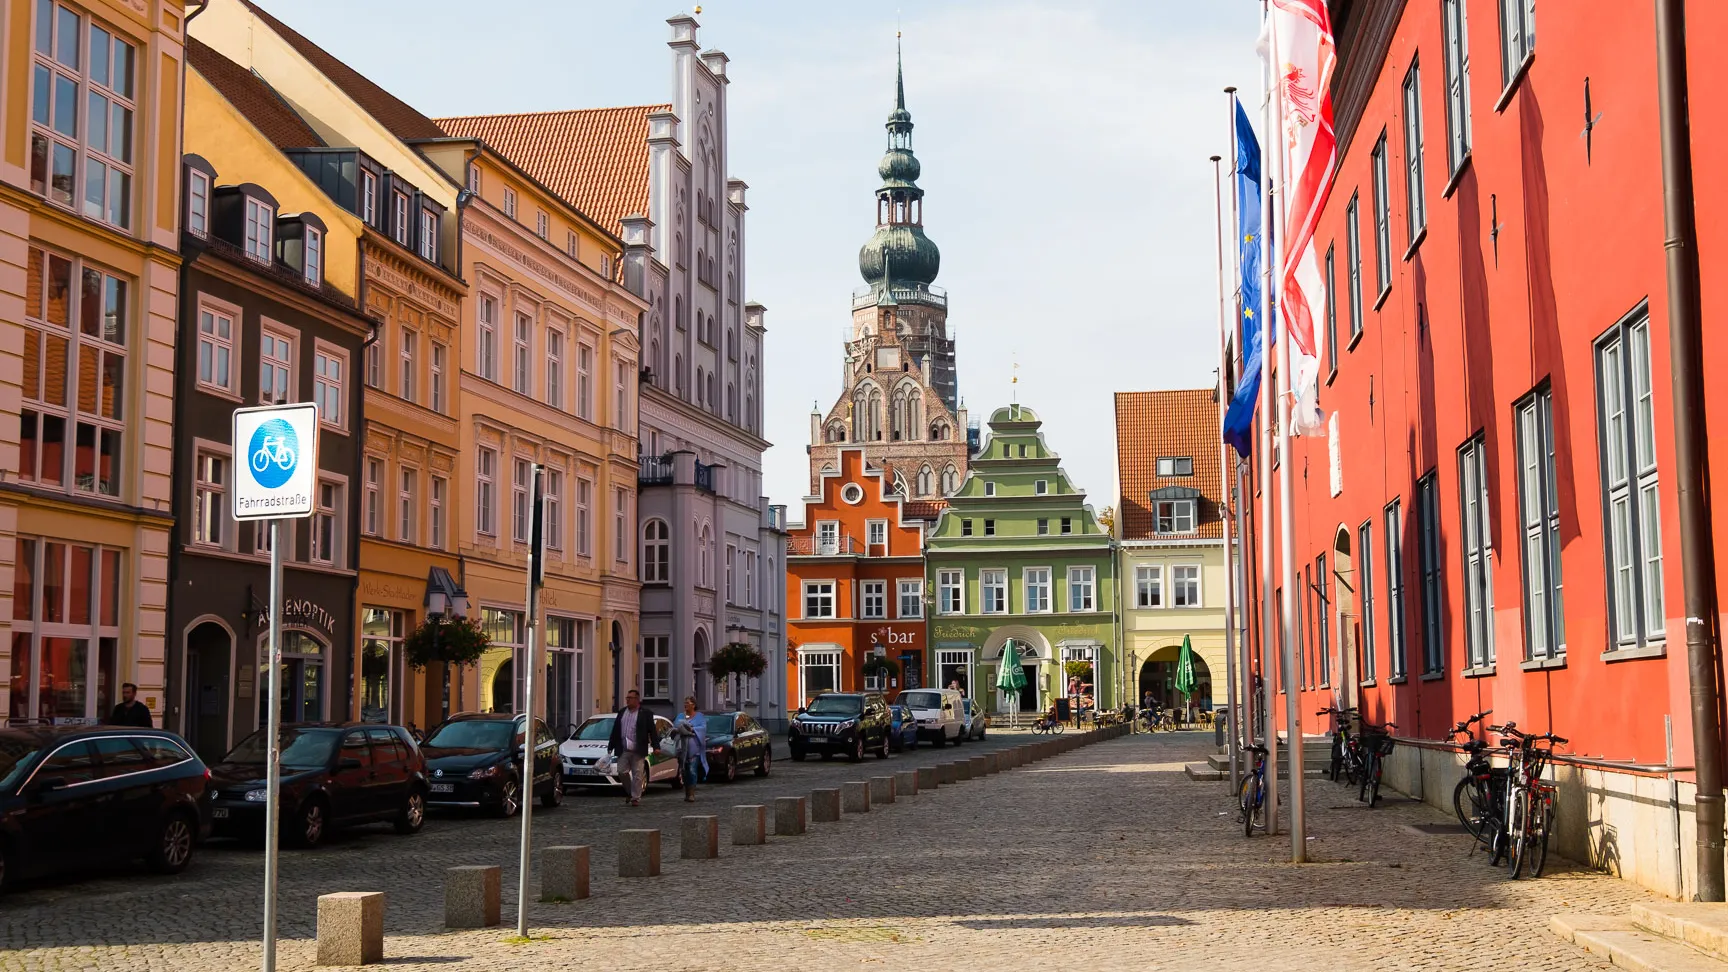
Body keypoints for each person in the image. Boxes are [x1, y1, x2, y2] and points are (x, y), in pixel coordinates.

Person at [607, 689, 659, 807]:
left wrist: (656, 746)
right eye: (627, 698)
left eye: (630, 698)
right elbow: (615, 730)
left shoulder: (645, 713)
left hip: (638, 749)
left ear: (637, 700)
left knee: (637, 774)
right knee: (621, 771)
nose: (628, 700)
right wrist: (611, 745)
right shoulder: (622, 713)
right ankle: (630, 791)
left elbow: (652, 731)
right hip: (624, 748)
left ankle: (635, 797)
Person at [671, 696, 708, 802]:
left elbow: (703, 728)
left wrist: (692, 729)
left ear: (693, 705)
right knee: (684, 771)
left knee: (692, 770)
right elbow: (675, 727)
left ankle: (691, 793)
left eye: (688, 703)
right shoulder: (680, 716)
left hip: (694, 749)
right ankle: (687, 792)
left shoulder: (700, 716)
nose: (685, 704)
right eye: (685, 702)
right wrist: (680, 729)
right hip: (682, 748)